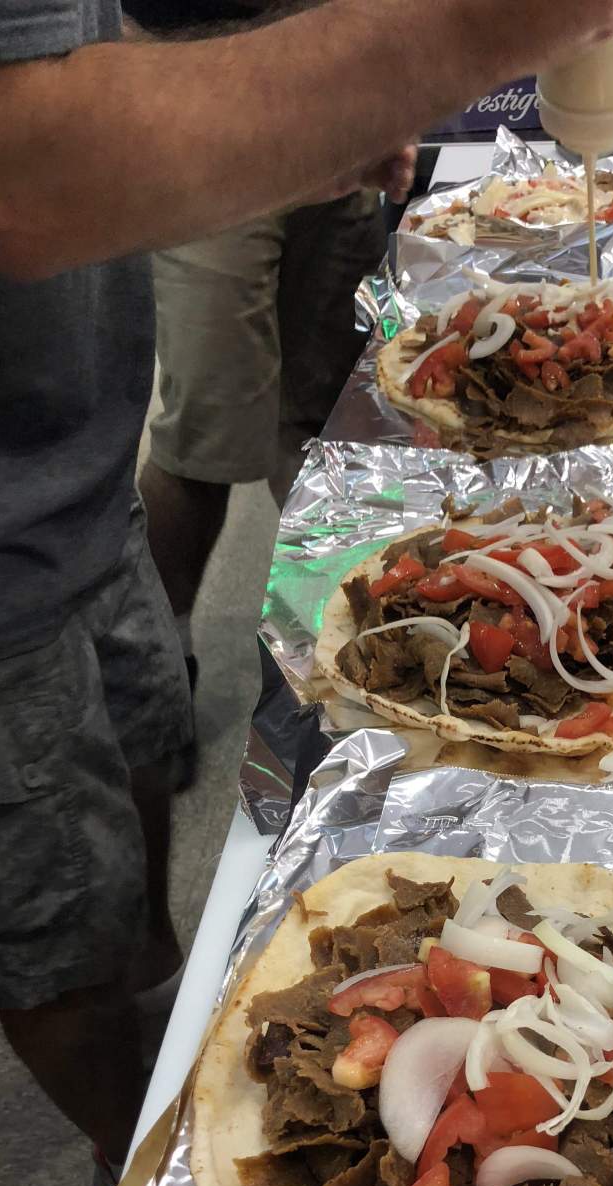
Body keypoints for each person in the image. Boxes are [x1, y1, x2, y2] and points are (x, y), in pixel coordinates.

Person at [0, 0, 613, 1179]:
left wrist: (283, 131)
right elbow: (18, 170)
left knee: (133, 871)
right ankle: (165, 1179)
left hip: (68, 491)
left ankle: (163, 1074)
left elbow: (74, 54)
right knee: (62, 956)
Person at [126, 0, 391, 700]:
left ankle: (366, 637)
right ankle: (157, 679)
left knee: (330, 421)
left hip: (338, 104)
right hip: (198, 115)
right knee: (202, 449)